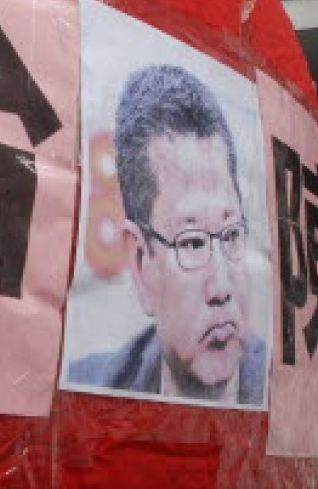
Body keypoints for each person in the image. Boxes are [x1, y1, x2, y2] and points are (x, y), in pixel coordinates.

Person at [68, 65, 266, 406]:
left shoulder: (283, 387)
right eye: (192, 242)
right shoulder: (90, 389)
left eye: (231, 234)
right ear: (142, 264)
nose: (221, 288)